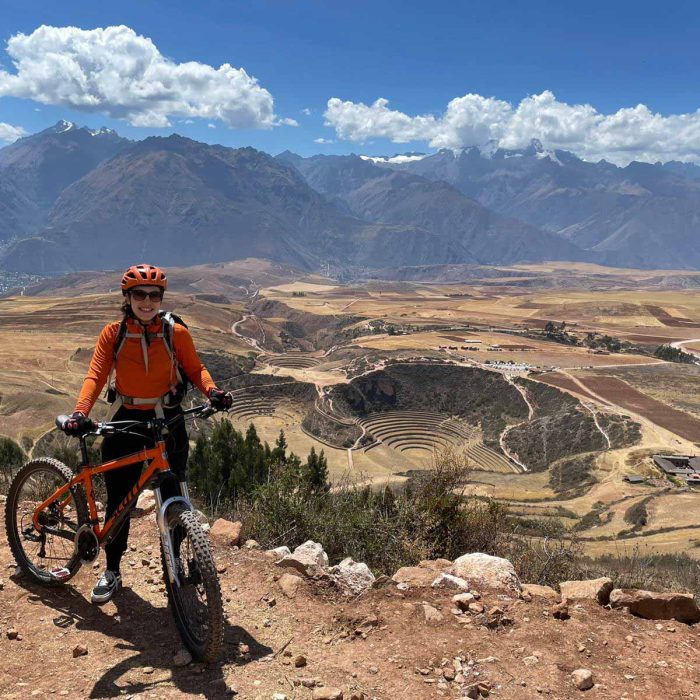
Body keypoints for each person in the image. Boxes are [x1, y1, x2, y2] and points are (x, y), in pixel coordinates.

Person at [61, 264, 232, 604]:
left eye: (154, 295)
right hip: (127, 419)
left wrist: (213, 391)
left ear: (161, 298)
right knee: (120, 499)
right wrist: (81, 412)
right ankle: (112, 571)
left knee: (175, 493)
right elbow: (96, 376)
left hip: (168, 418)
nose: (147, 301)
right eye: (139, 294)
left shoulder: (175, 333)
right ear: (128, 297)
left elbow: (195, 368)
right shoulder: (114, 333)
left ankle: (180, 560)